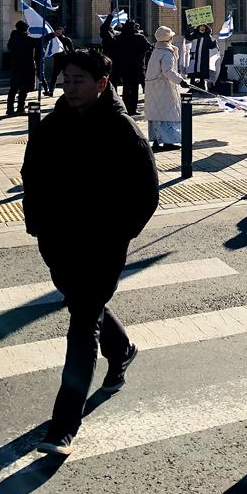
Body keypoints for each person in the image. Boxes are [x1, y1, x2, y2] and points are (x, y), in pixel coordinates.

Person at [21, 49, 158, 456]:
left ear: (101, 84)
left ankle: (63, 425)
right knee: (83, 304)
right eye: (66, 80)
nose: (70, 88)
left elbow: (145, 194)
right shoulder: (52, 125)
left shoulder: (122, 130)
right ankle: (123, 351)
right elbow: (32, 173)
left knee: (82, 324)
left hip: (101, 245)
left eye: (79, 80)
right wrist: (38, 225)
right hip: (59, 243)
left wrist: (117, 236)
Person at [145, 26, 186, 151]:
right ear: (169, 38)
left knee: (156, 113)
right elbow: (168, 71)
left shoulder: (156, 51)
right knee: (168, 112)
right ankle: (168, 141)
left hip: (153, 87)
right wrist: (180, 81)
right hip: (164, 87)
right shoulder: (167, 53)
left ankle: (157, 139)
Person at [113, 20, 151, 115]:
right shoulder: (139, 37)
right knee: (134, 88)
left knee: (126, 87)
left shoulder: (120, 37)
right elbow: (148, 47)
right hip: (136, 65)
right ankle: (133, 108)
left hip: (124, 66)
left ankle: (126, 107)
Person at [6, 20, 36, 116]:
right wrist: (52, 35)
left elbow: (9, 48)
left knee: (13, 88)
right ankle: (20, 107)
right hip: (26, 67)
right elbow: (39, 42)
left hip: (15, 66)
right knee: (24, 88)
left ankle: (10, 108)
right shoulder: (26, 39)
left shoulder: (12, 39)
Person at [184, 24, 218, 91]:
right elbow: (188, 38)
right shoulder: (195, 35)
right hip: (195, 56)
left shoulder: (207, 36)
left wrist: (214, 43)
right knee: (193, 71)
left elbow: (211, 46)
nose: (202, 28)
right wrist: (188, 30)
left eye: (203, 27)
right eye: (201, 27)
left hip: (203, 57)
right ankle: (192, 86)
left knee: (202, 72)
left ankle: (202, 86)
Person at [47, 26, 75, 96]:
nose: (59, 32)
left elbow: (71, 50)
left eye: (60, 31)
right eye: (58, 31)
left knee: (67, 76)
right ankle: (51, 91)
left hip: (66, 60)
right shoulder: (54, 40)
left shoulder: (66, 39)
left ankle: (69, 90)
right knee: (54, 76)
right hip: (58, 60)